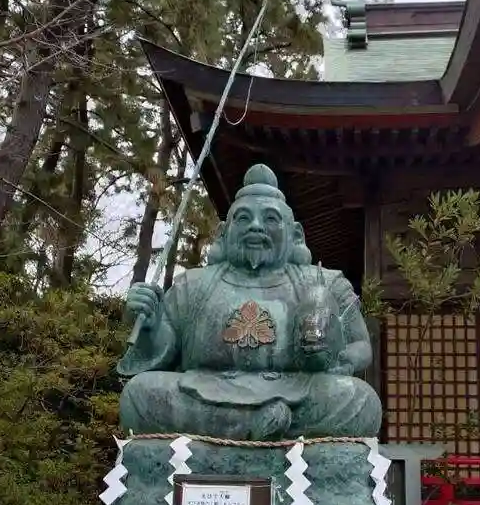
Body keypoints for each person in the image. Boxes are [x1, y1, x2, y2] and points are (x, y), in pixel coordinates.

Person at [116, 164, 381, 441]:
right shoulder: (192, 284)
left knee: (360, 400)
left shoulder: (324, 282)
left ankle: (236, 430)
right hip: (205, 391)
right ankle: (259, 425)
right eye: (244, 218)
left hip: (297, 392)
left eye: (270, 219)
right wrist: (151, 327)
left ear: (295, 234)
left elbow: (361, 345)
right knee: (139, 393)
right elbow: (165, 351)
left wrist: (339, 359)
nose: (256, 226)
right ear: (224, 232)